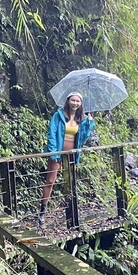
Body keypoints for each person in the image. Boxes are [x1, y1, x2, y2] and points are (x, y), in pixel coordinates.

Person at [38, 92, 95, 225]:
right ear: (68, 101)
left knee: (70, 183)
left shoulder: (83, 118)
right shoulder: (58, 116)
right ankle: (42, 212)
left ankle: (70, 215)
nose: (75, 103)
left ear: (81, 103)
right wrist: (54, 154)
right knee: (50, 181)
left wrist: (89, 124)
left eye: (78, 101)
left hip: (72, 156)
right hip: (57, 153)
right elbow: (51, 134)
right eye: (73, 100)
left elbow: (83, 138)